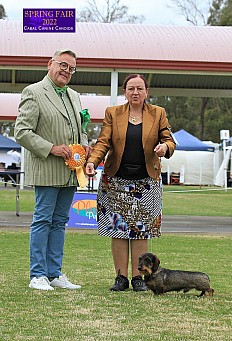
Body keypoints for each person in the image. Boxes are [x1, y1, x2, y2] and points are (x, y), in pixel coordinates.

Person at [85, 74, 176, 291]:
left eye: (140, 88)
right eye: (131, 88)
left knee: (141, 231)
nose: (135, 92)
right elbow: (103, 142)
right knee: (118, 230)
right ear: (124, 92)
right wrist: (92, 161)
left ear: (147, 92)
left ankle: (138, 278)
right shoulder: (113, 113)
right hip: (115, 181)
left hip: (146, 182)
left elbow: (169, 139)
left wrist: (165, 148)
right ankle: (121, 278)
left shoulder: (158, 113)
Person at [15, 49, 89, 291]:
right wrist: (51, 148)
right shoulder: (34, 92)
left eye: (72, 68)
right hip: (47, 168)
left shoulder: (75, 96)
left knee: (59, 222)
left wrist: (84, 145)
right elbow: (22, 132)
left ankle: (54, 273)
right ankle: (37, 274)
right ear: (50, 64)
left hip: (70, 172)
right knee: (43, 220)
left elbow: (80, 129)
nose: (67, 71)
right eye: (63, 65)